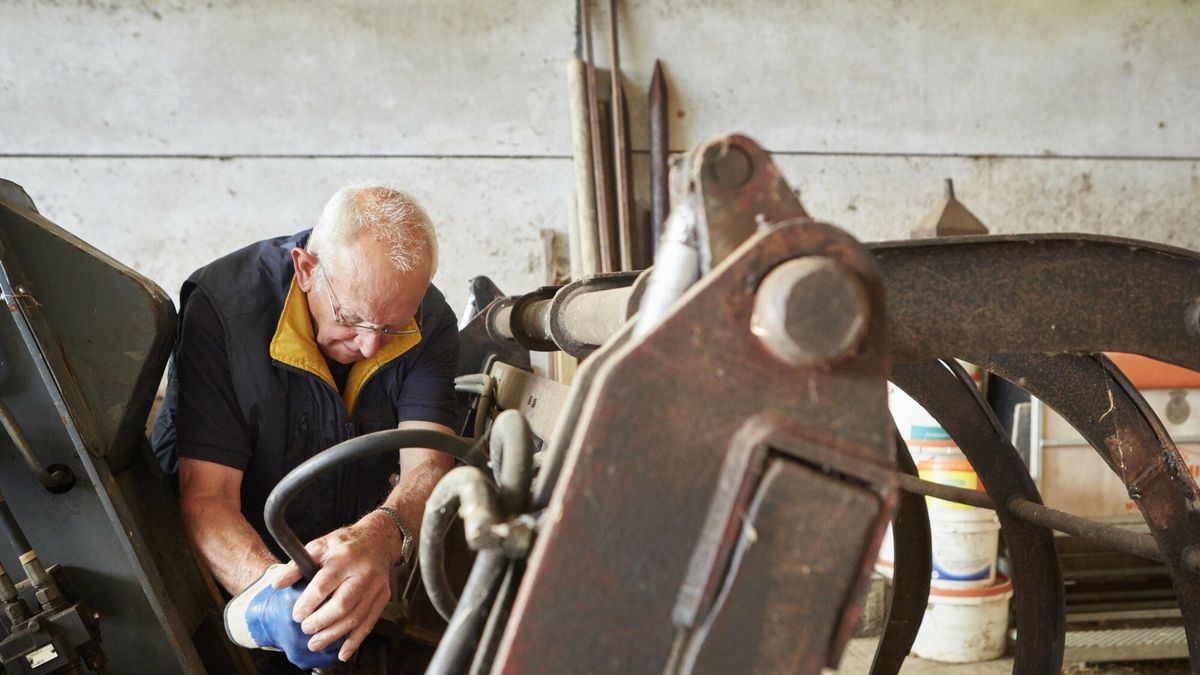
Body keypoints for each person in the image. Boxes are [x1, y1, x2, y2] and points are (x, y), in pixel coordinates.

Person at [151, 183, 458, 668]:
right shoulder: (223, 310)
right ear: (306, 269)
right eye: (351, 319)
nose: (370, 347)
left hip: (342, 567)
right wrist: (269, 598)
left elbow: (430, 464)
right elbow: (206, 497)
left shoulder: (428, 318)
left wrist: (380, 536)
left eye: (391, 327)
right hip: (216, 576)